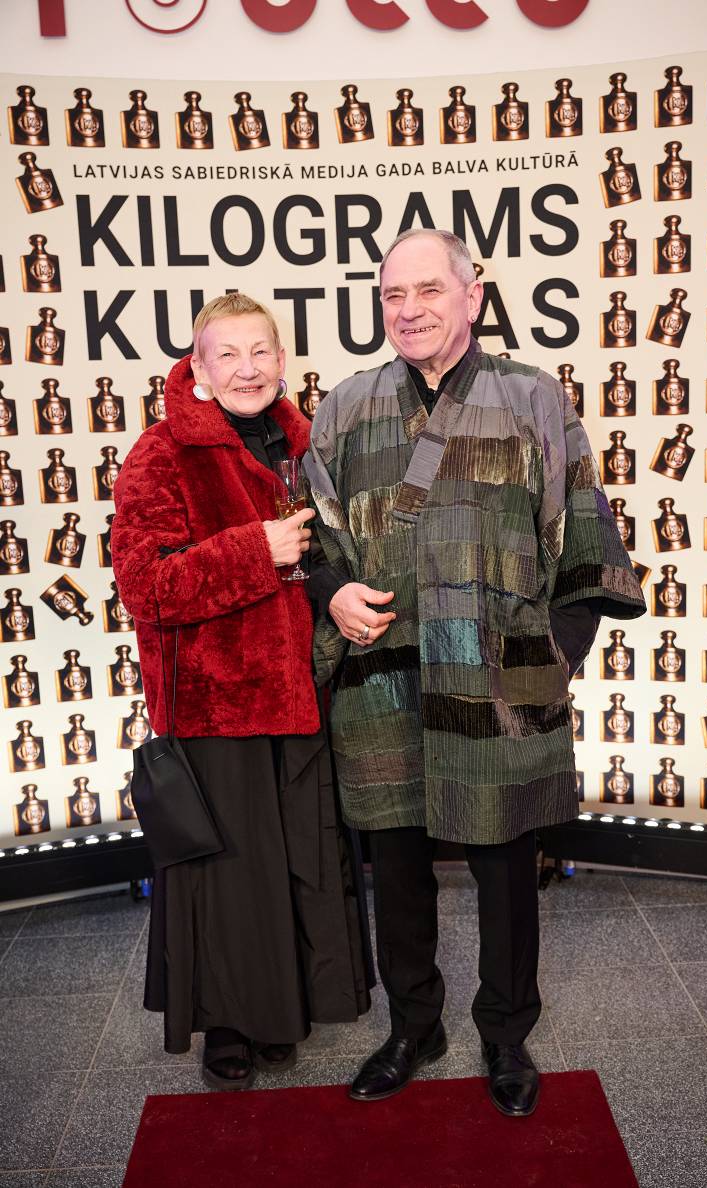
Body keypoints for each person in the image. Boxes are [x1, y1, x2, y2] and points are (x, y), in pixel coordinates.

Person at [304, 229, 647, 1117]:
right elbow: (314, 537)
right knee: (397, 869)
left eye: (428, 290)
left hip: (502, 680)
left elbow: (583, 526)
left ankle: (505, 1031)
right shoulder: (346, 408)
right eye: (393, 295)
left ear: (472, 295)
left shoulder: (533, 397)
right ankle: (412, 1026)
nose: (409, 310)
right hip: (384, 678)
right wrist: (334, 593)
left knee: (505, 865)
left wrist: (556, 652)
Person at [112, 293, 371, 1091]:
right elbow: (145, 587)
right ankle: (228, 1024)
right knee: (228, 877)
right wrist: (254, 551)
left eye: (260, 352)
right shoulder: (161, 453)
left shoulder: (308, 443)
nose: (247, 369)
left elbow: (326, 558)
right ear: (198, 367)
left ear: (282, 360)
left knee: (293, 862)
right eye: (227, 355)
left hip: (303, 692)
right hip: (215, 706)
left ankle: (279, 1013)